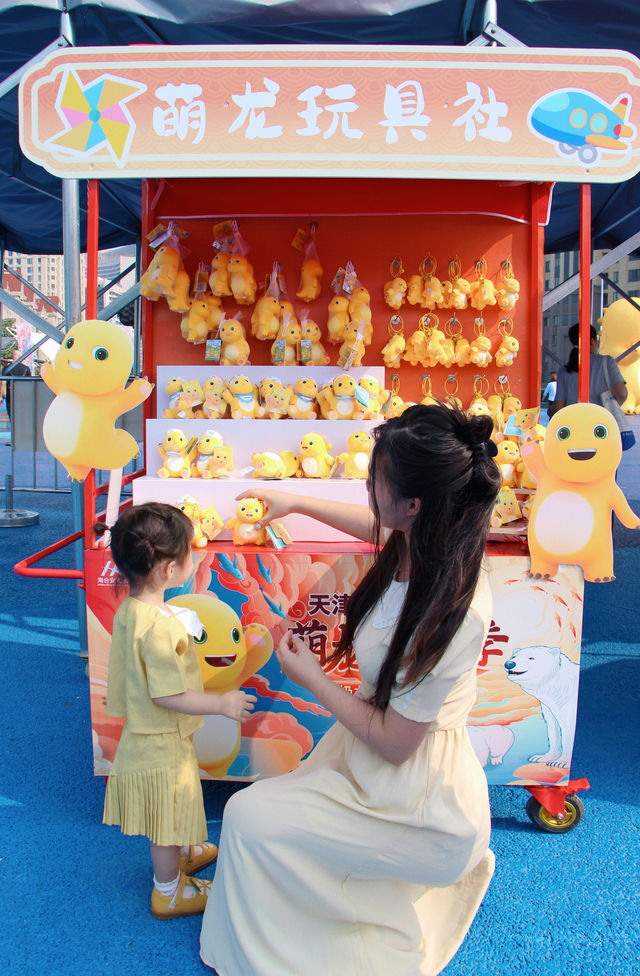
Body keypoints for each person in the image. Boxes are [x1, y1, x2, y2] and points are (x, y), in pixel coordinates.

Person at [200, 403, 501, 976]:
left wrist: (309, 677)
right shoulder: (435, 541)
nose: (367, 488)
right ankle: (316, 915)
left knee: (246, 818)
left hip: (417, 804)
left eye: (374, 480)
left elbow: (395, 743)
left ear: (414, 504)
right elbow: (379, 525)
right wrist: (296, 500)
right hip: (380, 771)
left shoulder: (452, 612)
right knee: (260, 817)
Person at [100, 502, 256, 920]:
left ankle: (185, 851)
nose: (194, 557)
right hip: (161, 739)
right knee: (168, 814)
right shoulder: (161, 627)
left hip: (152, 734)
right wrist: (223, 703)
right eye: (189, 552)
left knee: (179, 801)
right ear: (169, 571)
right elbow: (167, 695)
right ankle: (167, 891)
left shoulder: (135, 610)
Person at [549, 323, 626, 417]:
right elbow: (622, 393)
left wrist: (550, 410)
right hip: (601, 423)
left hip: (574, 423)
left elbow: (558, 407)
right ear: (593, 341)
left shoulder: (564, 370)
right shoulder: (607, 362)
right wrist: (611, 410)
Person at [1, 349, 31, 419]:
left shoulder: (6, 368)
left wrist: (0, 396)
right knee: (22, 415)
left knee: (12, 415)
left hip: (10, 394)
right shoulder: (26, 368)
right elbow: (30, 383)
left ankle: (13, 424)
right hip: (23, 394)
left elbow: (3, 383)